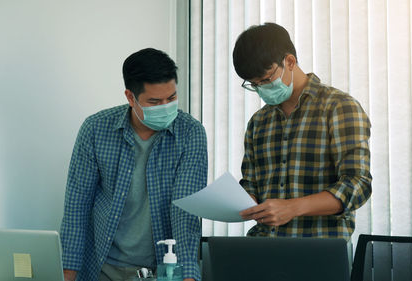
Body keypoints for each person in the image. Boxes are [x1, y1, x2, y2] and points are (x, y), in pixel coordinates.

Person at [60, 48, 207, 281]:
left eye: (171, 98)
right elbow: (77, 205)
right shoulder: (96, 129)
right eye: (154, 101)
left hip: (161, 271)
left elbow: (185, 209)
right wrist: (68, 272)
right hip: (102, 267)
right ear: (130, 97)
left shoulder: (190, 133)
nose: (166, 107)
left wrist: (188, 274)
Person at [234, 23, 372, 240]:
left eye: (266, 80)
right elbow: (251, 182)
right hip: (262, 247)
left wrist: (293, 207)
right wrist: (244, 201)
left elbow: (358, 185)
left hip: (318, 250)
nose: (261, 89)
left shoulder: (338, 107)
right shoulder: (258, 122)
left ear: (289, 61)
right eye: (254, 84)